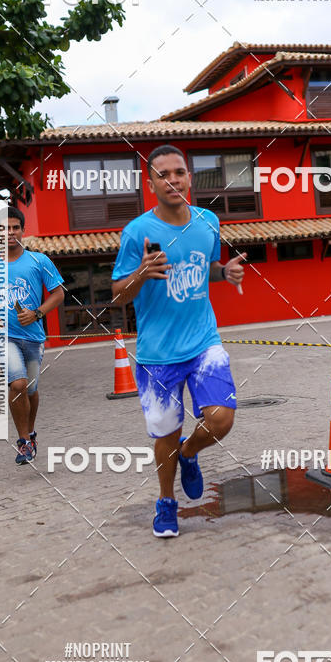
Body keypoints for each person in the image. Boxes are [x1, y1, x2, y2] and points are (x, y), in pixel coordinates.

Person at [111, 144, 246, 537]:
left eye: (179, 172)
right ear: (150, 182)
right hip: (158, 354)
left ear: (190, 177)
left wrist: (226, 273)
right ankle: (166, 502)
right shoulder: (137, 232)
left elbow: (208, 269)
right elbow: (118, 295)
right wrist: (140, 274)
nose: (173, 180)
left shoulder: (208, 222)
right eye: (163, 174)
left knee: (221, 419)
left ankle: (190, 453)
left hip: (204, 341)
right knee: (165, 435)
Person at [0, 206, 64, 465]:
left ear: (22, 231)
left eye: (15, 227)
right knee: (18, 385)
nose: (10, 232)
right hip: (3, 337)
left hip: (33, 337)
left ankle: (31, 434)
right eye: (3, 228)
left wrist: (37, 313)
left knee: (32, 389)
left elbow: (58, 294)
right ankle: (23, 441)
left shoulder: (39, 261)